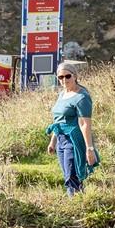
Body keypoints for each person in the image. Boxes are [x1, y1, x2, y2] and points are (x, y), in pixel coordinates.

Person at [47, 60, 97, 196]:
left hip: (73, 139)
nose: (64, 80)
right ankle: (76, 200)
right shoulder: (62, 94)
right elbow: (58, 121)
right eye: (60, 77)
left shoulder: (82, 97)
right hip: (61, 139)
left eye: (67, 76)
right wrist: (53, 142)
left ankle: (77, 202)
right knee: (66, 175)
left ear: (74, 76)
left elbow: (85, 124)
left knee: (72, 175)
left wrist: (89, 148)